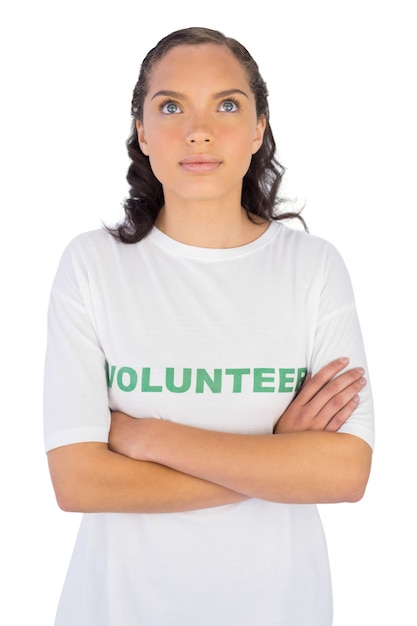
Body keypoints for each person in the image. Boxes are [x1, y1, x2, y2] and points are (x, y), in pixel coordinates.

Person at [44, 27, 374, 626]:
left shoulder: (312, 268)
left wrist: (151, 439)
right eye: (171, 106)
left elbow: (344, 471)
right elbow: (78, 481)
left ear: (258, 130)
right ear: (142, 131)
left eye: (227, 104)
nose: (198, 130)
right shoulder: (92, 265)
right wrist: (276, 459)